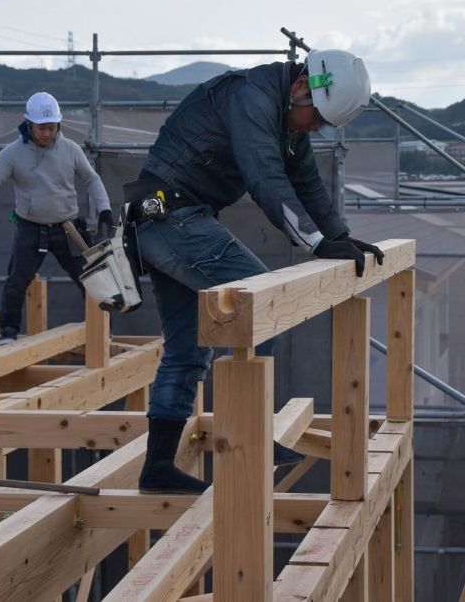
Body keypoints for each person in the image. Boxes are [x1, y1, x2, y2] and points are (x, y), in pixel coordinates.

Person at [125, 49, 385, 494]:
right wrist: (317, 244)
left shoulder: (285, 112)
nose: (315, 128)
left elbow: (306, 182)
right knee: (257, 299)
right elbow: (265, 177)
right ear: (303, 86)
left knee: (188, 349)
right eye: (316, 118)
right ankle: (245, 431)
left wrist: (339, 234)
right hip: (171, 217)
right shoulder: (252, 99)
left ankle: (158, 467)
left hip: (171, 221)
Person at [0, 91, 113, 343]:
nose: (47, 133)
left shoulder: (70, 149)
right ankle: (8, 332)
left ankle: (103, 331)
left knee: (92, 278)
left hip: (68, 227)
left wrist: (104, 208)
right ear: (29, 124)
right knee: (17, 280)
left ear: (58, 125)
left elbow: (91, 179)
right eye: (41, 128)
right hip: (31, 227)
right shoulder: (13, 152)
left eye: (51, 128)